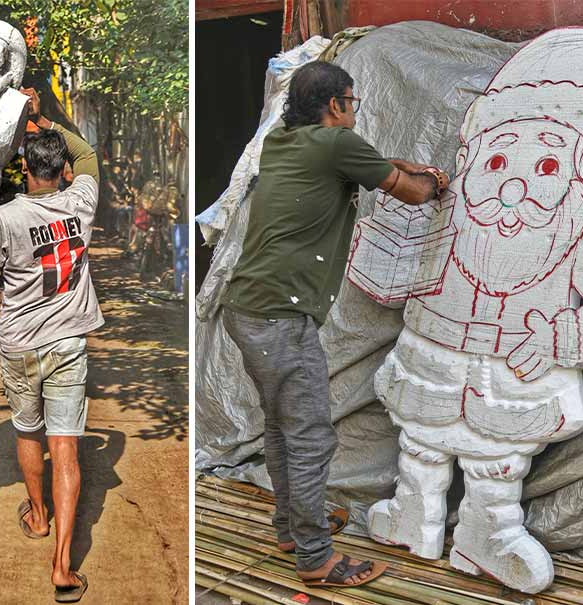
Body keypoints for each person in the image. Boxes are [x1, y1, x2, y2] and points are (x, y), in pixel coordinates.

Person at [220, 61, 450, 589]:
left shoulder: (285, 141)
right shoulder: (337, 146)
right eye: (352, 102)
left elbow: (357, 162)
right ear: (336, 105)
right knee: (311, 438)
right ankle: (316, 558)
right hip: (281, 316)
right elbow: (413, 193)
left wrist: (393, 164)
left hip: (248, 308)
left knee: (281, 427)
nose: (354, 111)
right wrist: (433, 178)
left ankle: (292, 529)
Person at [0, 88, 100, 603]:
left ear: (23, 170)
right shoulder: (81, 202)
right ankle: (62, 566)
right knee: (67, 449)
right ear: (61, 172)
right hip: (68, 346)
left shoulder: (4, 219)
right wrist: (42, 116)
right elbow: (88, 156)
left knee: (27, 431)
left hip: (19, 346)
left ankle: (38, 516)